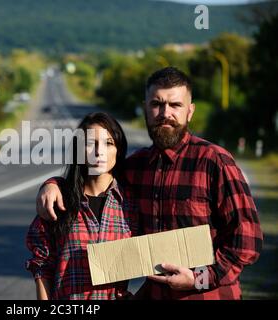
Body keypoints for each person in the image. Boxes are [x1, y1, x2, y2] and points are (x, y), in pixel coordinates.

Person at [36, 67, 263, 300]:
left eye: (175, 105)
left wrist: (198, 279)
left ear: (190, 112)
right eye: (157, 104)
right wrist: (53, 184)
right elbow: (91, 178)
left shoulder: (214, 162)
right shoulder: (135, 167)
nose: (165, 113)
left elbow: (247, 241)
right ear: (145, 108)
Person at [25, 112, 134, 300]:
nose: (99, 151)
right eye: (91, 143)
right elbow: (42, 266)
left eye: (108, 143)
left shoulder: (131, 204)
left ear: (119, 149)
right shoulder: (58, 201)